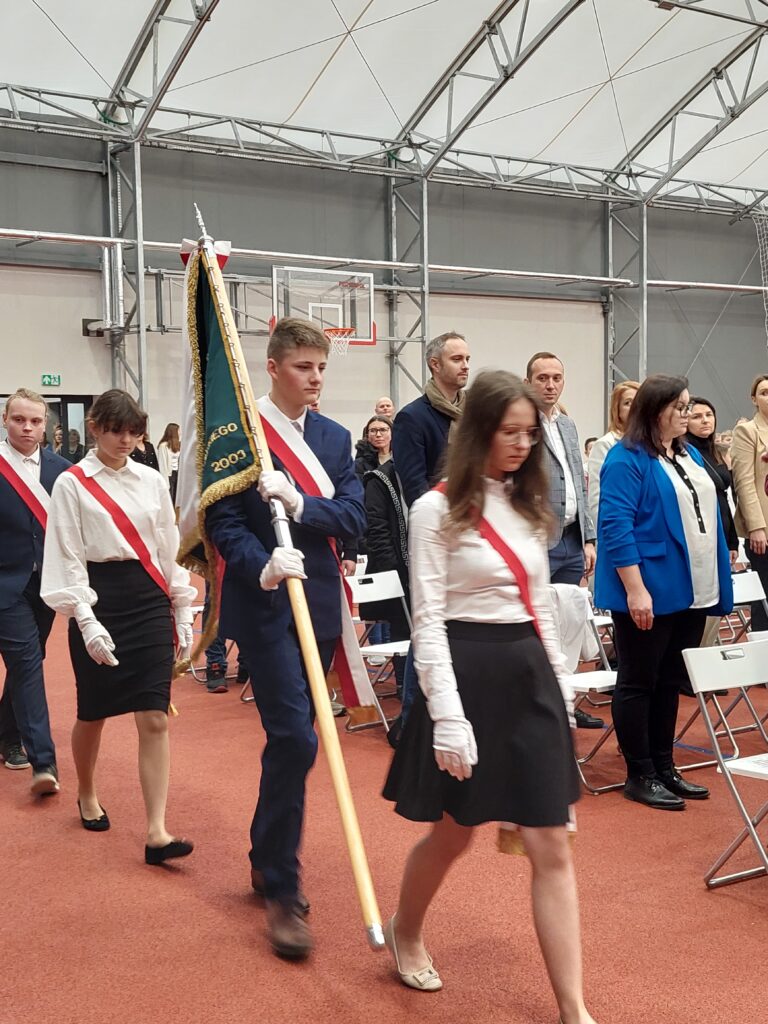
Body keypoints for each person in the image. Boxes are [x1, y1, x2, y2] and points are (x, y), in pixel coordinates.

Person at [383, 371, 594, 1024]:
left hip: (529, 677)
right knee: (453, 836)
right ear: (477, 431)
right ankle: (406, 930)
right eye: (510, 432)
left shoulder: (529, 505)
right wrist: (447, 715)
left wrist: (560, 693)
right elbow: (428, 620)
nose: (523, 445)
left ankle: (573, 1009)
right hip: (466, 677)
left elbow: (541, 608)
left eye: (531, 434)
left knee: (551, 844)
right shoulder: (434, 509)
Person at [206, 317, 366, 961]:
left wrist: (300, 505)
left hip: (319, 604)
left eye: (321, 367)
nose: (315, 378)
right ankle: (282, 884)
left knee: (290, 743)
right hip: (267, 603)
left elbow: (353, 516)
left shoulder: (334, 438)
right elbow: (222, 520)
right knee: (298, 738)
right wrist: (262, 564)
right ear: (273, 368)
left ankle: (264, 851)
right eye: (303, 367)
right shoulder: (240, 435)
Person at [41, 389, 196, 863]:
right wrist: (85, 619)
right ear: (94, 428)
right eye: (115, 431)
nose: (125, 440)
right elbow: (67, 552)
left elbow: (167, 543)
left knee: (154, 715)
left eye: (133, 432)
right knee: (94, 711)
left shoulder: (151, 480)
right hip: (98, 596)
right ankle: (86, 790)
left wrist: (182, 606)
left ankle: (157, 832)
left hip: (148, 597)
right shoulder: (71, 483)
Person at [595, 375, 733, 810]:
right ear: (655, 411)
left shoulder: (688, 452)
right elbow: (615, 527)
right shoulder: (626, 458)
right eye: (680, 407)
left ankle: (664, 766)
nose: (688, 414)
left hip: (692, 585)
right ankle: (640, 773)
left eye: (689, 406)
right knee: (639, 680)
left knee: (671, 679)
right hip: (650, 586)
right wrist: (635, 590)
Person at [525, 352, 601, 730]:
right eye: (542, 378)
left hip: (572, 539)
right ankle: (536, 705)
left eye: (556, 377)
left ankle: (566, 700)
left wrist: (589, 537)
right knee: (538, 628)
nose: (550, 385)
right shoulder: (523, 424)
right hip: (538, 540)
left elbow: (579, 482)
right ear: (528, 383)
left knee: (569, 627)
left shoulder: (568, 424)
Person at [0, 388, 69, 794]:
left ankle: (7, 733)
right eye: (19, 419)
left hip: (46, 586)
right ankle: (44, 762)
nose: (27, 427)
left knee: (28, 660)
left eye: (35, 421)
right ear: (5, 421)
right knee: (27, 664)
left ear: (46, 426)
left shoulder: (63, 471)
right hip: (4, 586)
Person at [359, 421, 410, 743]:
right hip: (396, 573)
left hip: (423, 569)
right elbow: (375, 530)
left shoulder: (424, 475)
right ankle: (406, 696)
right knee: (405, 634)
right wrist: (397, 572)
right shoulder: (379, 479)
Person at [392, 331, 470, 507]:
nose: (465, 366)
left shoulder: (474, 411)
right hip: (437, 515)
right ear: (435, 364)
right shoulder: (411, 417)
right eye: (457, 359)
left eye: (467, 359)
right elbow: (414, 488)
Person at [731, 376, 768, 630]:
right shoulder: (748, 431)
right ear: (754, 399)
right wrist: (756, 526)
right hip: (763, 527)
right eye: (764, 393)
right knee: (764, 597)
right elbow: (744, 482)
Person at [586, 380, 640, 531]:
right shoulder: (605, 445)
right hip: (619, 528)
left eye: (638, 401)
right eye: (628, 403)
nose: (634, 407)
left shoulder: (651, 444)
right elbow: (597, 499)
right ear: (617, 411)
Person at [157, 422, 181, 504]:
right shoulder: (163, 446)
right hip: (169, 475)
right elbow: (162, 464)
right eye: (178, 430)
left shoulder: (178, 445)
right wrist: (165, 481)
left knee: (177, 498)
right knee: (170, 497)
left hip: (177, 473)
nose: (180, 433)